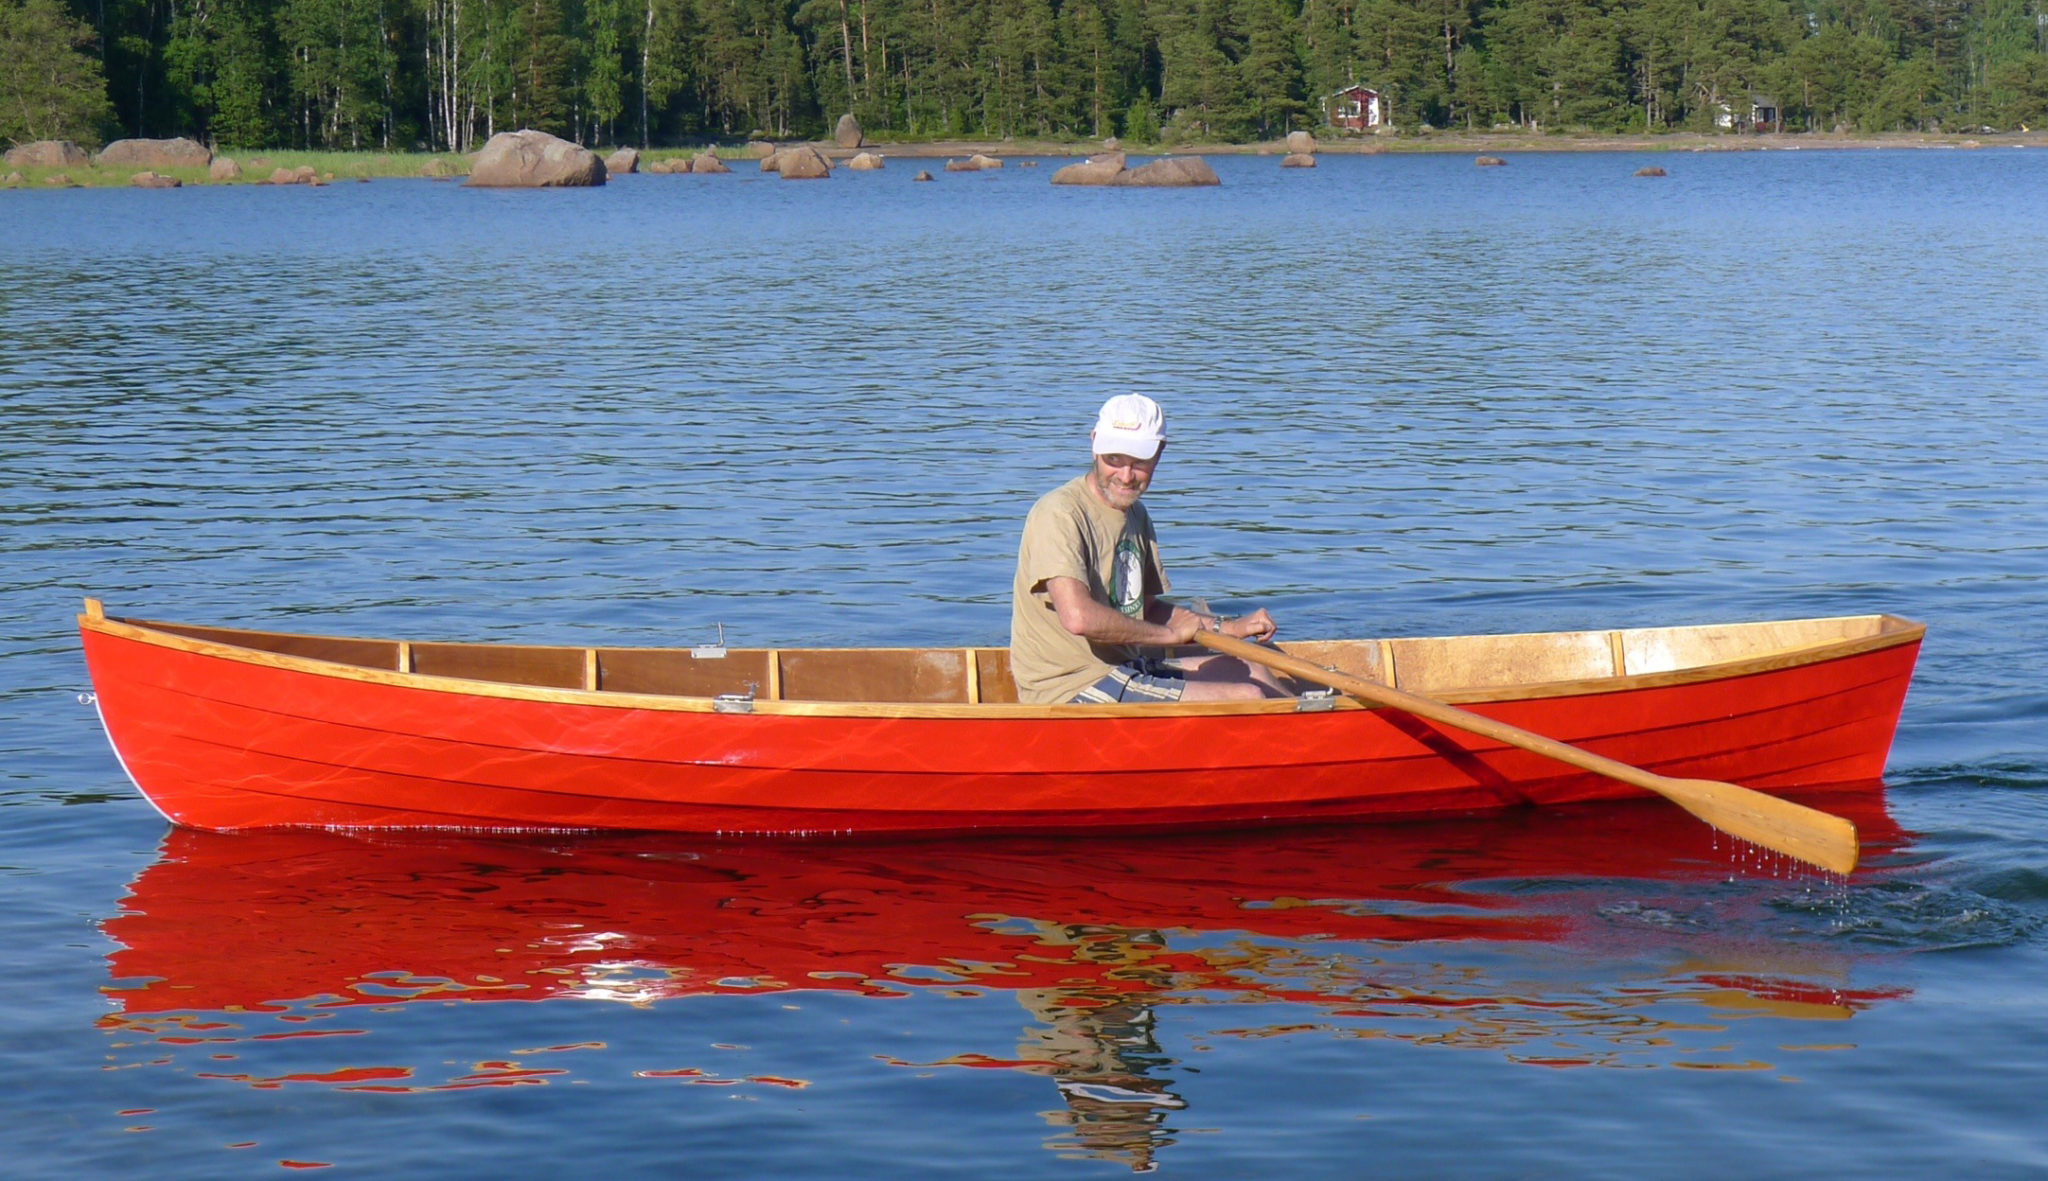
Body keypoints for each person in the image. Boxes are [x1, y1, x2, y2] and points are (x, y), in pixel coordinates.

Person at [1009, 394, 1294, 705]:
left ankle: (1312, 724)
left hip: (1124, 667)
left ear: (1159, 453)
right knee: (1246, 696)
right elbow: (1078, 617)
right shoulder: (1059, 513)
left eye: (1139, 462)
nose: (1126, 476)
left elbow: (1145, 610)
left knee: (1252, 671)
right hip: (1069, 688)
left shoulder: (1136, 514)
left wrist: (1224, 627)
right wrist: (1170, 637)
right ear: (1094, 445)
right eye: (1114, 459)